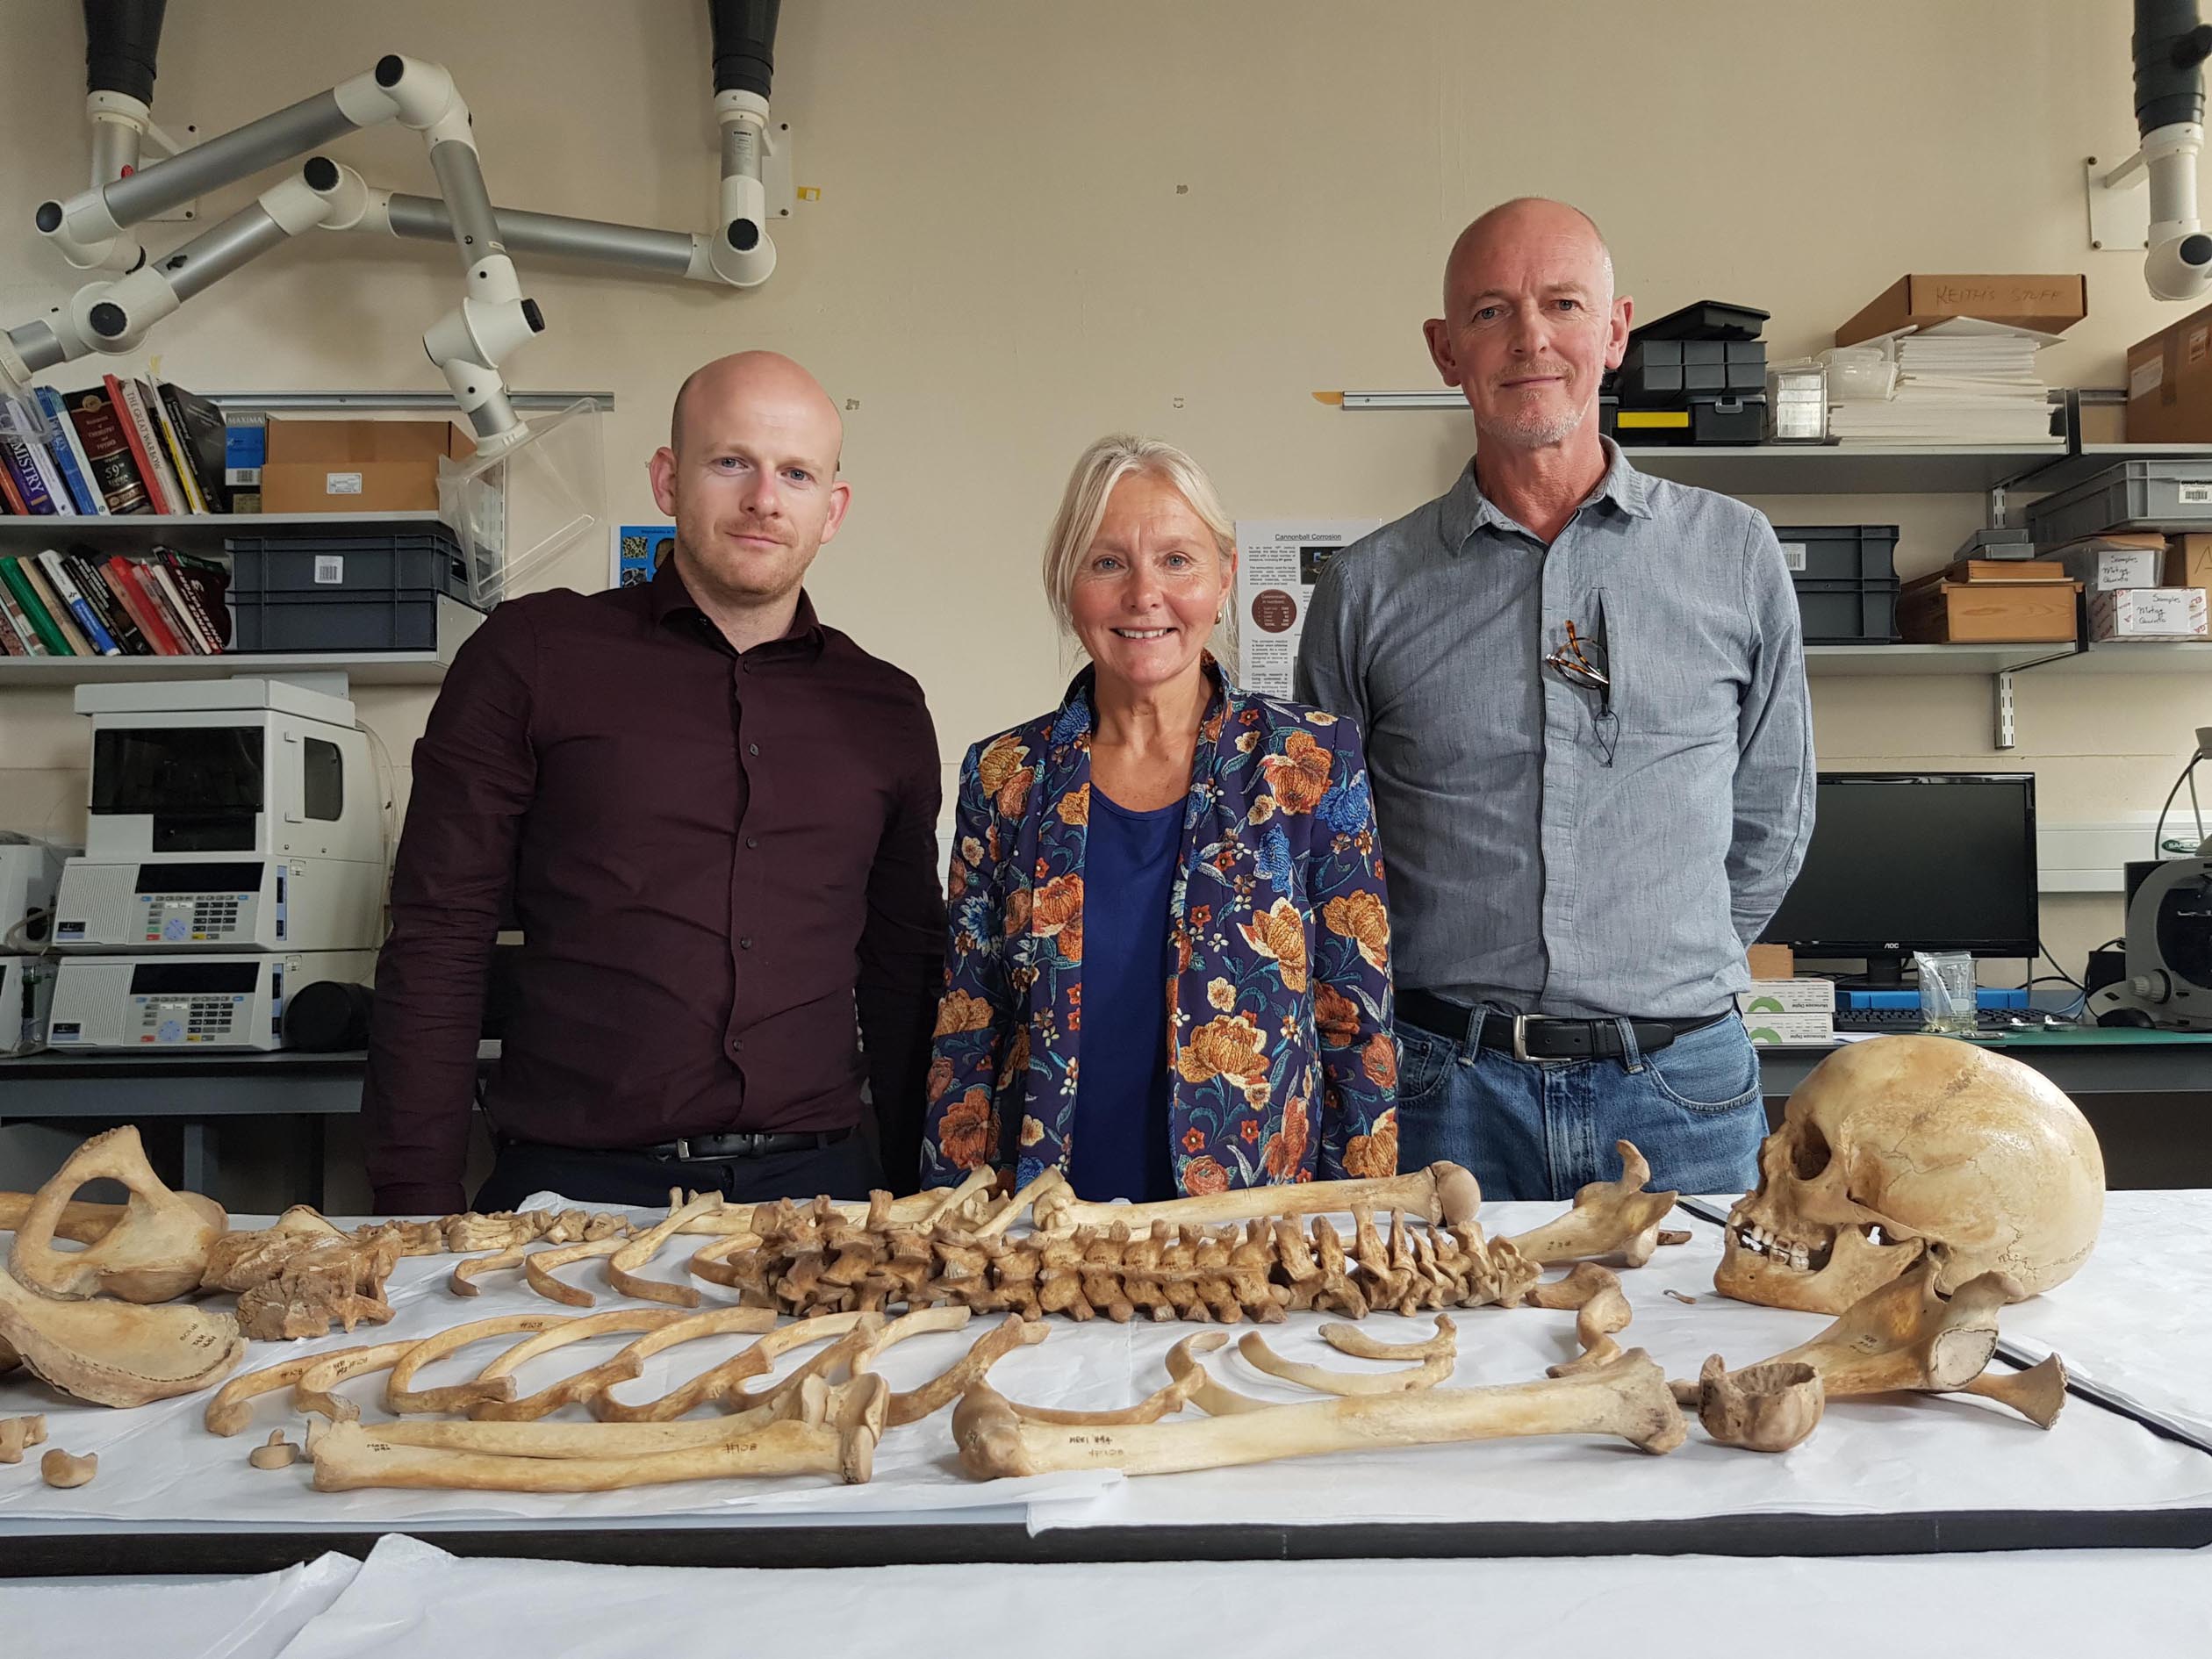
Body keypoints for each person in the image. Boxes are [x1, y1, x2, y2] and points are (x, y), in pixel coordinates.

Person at [1295, 198, 1814, 1202]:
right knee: (1434, 1361)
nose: (1531, 338)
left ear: (1615, 331)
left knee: (1706, 1360)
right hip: (1442, 1095)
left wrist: (1656, 971)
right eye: (1491, 312)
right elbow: (1331, 856)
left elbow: (1772, 818)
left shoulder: (1734, 554)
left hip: (1682, 1090)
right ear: (1447, 351)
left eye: (1563, 304)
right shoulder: (1367, 589)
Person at [363, 352, 945, 1214]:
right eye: (731, 462)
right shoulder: (533, 657)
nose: (763, 499)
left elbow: (906, 975)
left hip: (822, 1199)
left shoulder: (886, 708)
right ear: (668, 479)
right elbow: (440, 935)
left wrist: (925, 1196)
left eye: (796, 473)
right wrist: (411, 1210)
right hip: (571, 1195)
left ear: (833, 509)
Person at [922, 436, 1397, 1200]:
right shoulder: (1004, 777)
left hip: (1250, 1228)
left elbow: (1356, 1024)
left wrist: (1353, 1223)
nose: (1145, 594)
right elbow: (968, 1029)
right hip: (1045, 1227)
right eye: (1108, 562)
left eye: (1177, 560)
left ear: (1224, 579)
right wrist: (954, 1226)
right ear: (1066, 585)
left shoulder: (1310, 763)